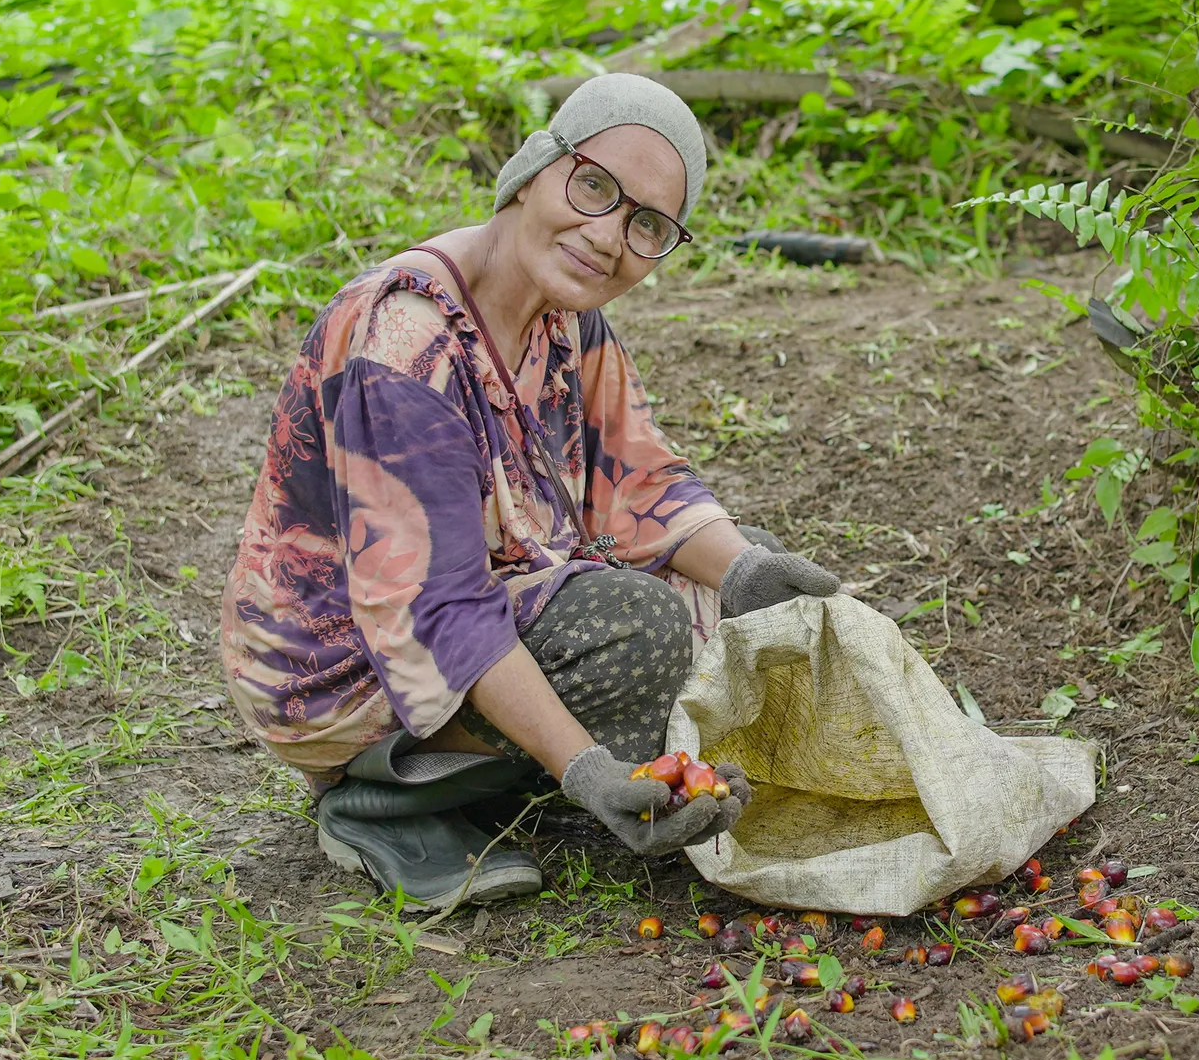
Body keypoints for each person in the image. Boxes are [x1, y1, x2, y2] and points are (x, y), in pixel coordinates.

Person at [217, 75, 842, 909]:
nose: (607, 237)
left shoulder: (565, 316)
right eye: (594, 187)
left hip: (490, 596)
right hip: (347, 670)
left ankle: (501, 771)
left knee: (742, 579)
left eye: (646, 226)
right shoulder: (407, 345)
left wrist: (746, 577)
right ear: (535, 168)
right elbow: (434, 608)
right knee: (639, 630)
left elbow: (639, 479)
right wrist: (586, 772)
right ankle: (381, 794)